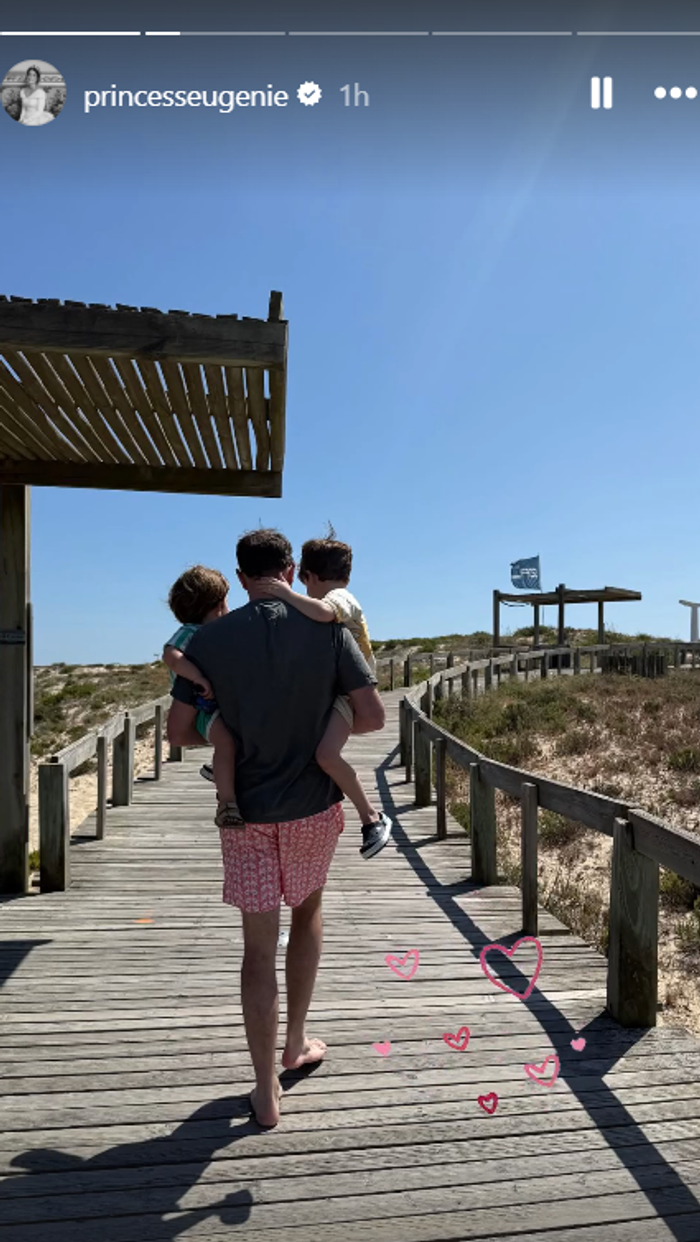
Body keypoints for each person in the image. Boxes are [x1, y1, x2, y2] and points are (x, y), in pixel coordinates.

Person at [167, 528, 385, 1128]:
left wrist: (229, 730)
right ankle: (295, 1044)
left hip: (244, 814)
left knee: (257, 950)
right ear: (289, 570)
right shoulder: (329, 629)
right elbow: (371, 716)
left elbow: (179, 732)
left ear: (240, 578)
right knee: (307, 915)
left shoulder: (207, 640)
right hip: (313, 805)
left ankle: (265, 1090)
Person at [258, 536, 392, 860]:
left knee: (327, 755)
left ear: (311, 576)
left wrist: (284, 593)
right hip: (336, 691)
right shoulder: (335, 596)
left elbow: (323, 613)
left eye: (304, 584)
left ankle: (372, 817)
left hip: (348, 693)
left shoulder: (339, 598)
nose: (304, 591)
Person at [163, 565, 243, 828]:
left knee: (235, 740)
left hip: (217, 706)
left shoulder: (217, 635)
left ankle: (219, 769)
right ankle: (227, 803)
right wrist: (196, 676)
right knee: (226, 741)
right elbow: (171, 655)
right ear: (218, 605)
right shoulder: (191, 632)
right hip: (203, 709)